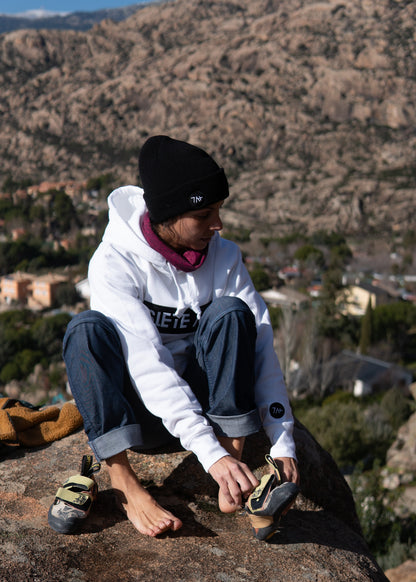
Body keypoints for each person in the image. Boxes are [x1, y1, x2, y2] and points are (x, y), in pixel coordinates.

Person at [62, 135, 299, 539]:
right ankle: (123, 481)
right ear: (169, 213)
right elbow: (146, 362)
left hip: (208, 407)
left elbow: (260, 343)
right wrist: (204, 453)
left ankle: (231, 464)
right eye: (205, 214)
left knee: (232, 313)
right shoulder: (114, 262)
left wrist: (282, 440)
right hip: (142, 413)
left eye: (220, 210)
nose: (218, 224)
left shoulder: (224, 256)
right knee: (84, 330)